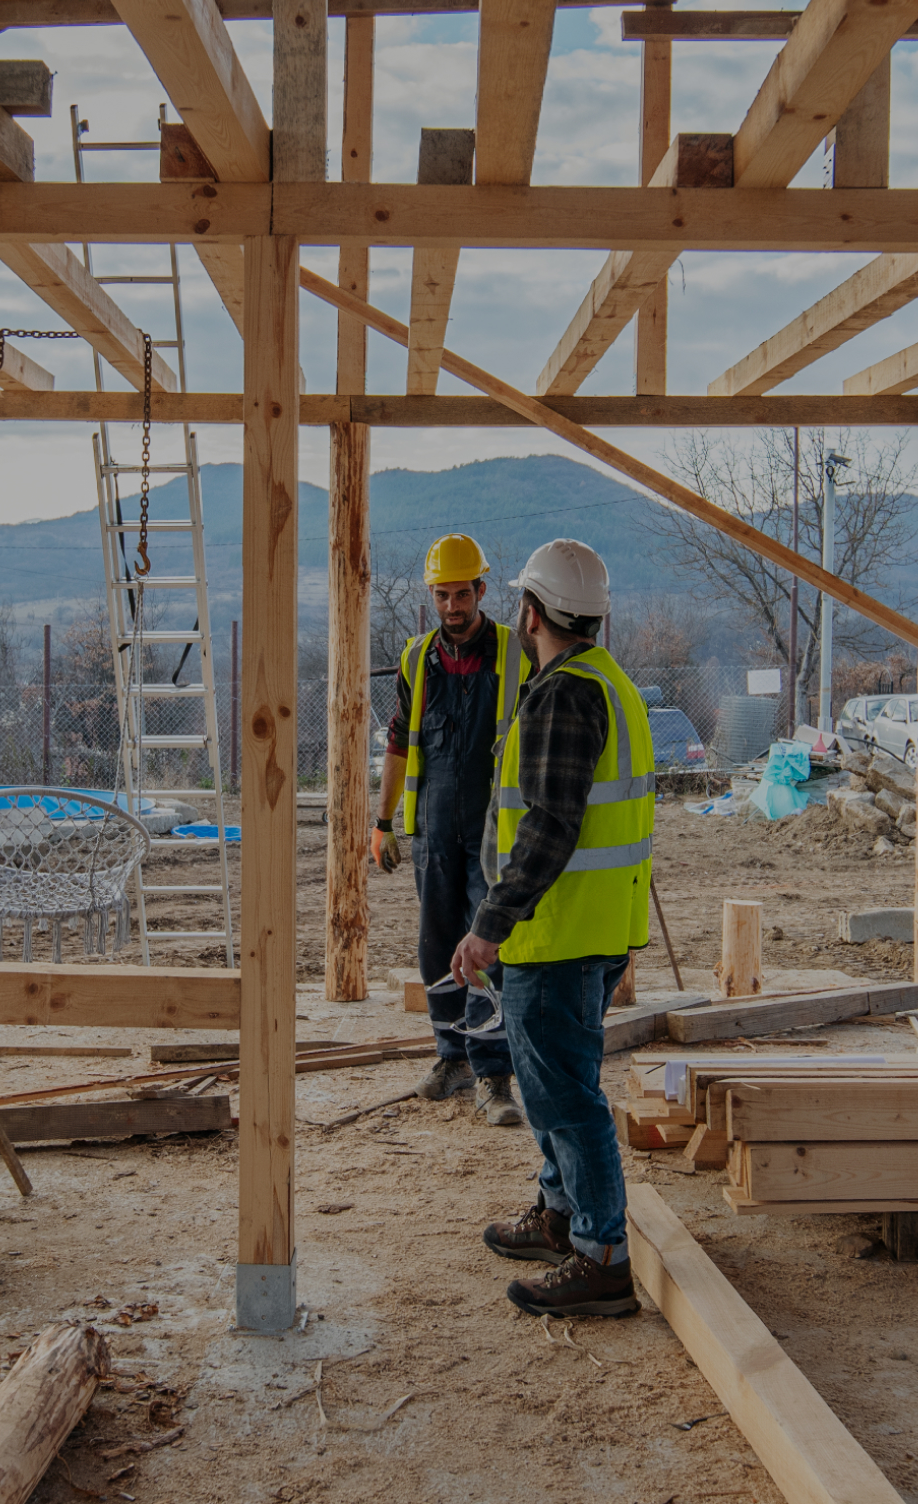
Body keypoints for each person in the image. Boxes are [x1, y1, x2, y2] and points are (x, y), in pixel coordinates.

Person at [451, 538, 656, 1318]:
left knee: (566, 1098)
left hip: (558, 936)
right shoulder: (609, 683)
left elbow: (549, 827)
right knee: (548, 1090)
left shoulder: (564, 694)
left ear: (531, 611)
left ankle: (601, 1254)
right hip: (584, 930)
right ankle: (561, 1215)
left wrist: (489, 926)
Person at [376, 533, 530, 1125]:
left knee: (488, 951)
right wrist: (382, 821)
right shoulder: (418, 659)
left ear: (482, 591)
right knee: (438, 948)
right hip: (434, 832)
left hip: (496, 835)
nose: (452, 607)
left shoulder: (518, 654)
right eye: (442, 595)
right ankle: (451, 1058)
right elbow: (396, 742)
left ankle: (494, 1075)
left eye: (462, 594)